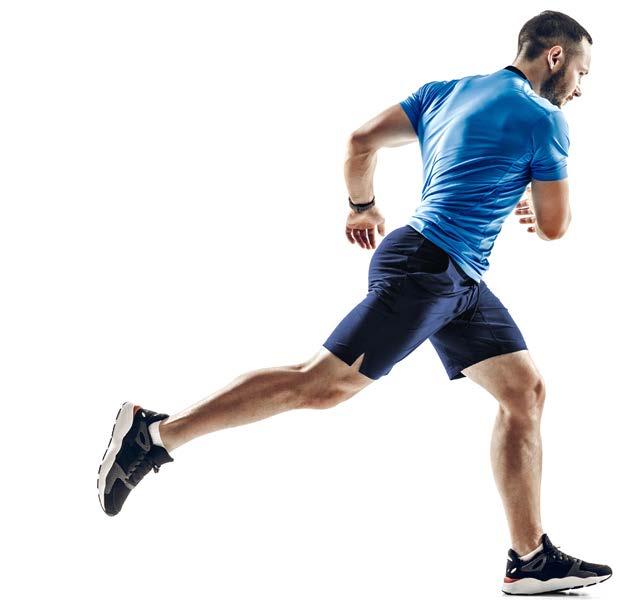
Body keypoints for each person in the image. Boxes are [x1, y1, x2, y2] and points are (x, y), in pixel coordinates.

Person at [97, 9, 611, 595]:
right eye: (581, 73)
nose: (579, 88)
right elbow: (555, 227)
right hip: (428, 271)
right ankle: (156, 435)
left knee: (524, 392)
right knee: (321, 385)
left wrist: (361, 206)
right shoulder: (545, 120)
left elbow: (361, 141)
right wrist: (537, 210)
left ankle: (529, 559)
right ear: (554, 56)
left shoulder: (447, 92)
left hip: (453, 276)